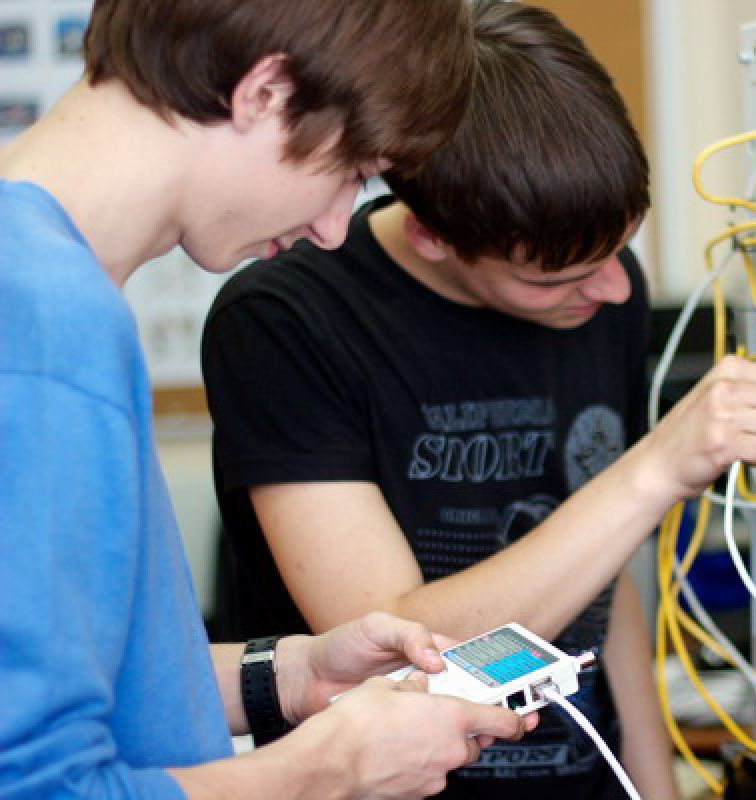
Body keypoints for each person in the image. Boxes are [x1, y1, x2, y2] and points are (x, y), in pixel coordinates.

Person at [201, 3, 756, 799]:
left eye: (620, 253)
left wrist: (652, 789)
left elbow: (602, 580)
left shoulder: (600, 295)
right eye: (558, 277)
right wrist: (654, 470)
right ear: (433, 235)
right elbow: (396, 642)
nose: (611, 291)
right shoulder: (286, 322)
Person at [0, 2, 535, 798]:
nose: (333, 229)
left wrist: (293, 674)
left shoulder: (37, 284)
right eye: (352, 173)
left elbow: (84, 687)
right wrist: (332, 767)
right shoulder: (42, 323)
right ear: (266, 93)